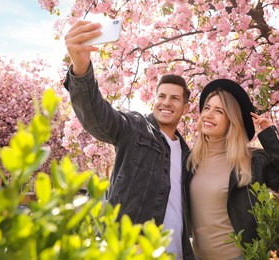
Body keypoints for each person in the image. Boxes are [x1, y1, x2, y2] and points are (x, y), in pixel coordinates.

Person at [63, 20, 194, 259]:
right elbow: (98, 117)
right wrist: (81, 69)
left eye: (174, 98)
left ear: (185, 107)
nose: (166, 102)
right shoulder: (134, 127)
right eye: (161, 96)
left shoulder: (189, 155)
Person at [186, 79, 279, 260]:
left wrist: (270, 137)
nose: (208, 115)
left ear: (232, 121)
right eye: (207, 108)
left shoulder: (253, 161)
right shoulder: (190, 161)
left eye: (219, 111)